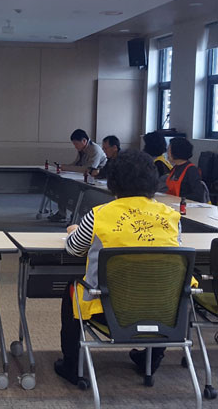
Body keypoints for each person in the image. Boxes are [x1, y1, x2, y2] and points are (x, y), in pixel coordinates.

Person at [54, 149, 182, 386]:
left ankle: (72, 364)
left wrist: (74, 230)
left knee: (71, 289)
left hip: (108, 310)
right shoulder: (172, 217)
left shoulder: (99, 215)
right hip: (163, 310)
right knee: (163, 284)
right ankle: (152, 357)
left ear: (113, 183)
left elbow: (73, 249)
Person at [49, 129, 107, 222]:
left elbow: (88, 169)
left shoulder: (94, 149)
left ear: (84, 141)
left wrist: (67, 168)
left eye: (76, 144)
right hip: (84, 177)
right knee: (63, 185)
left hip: (97, 180)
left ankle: (75, 216)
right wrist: (64, 167)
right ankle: (62, 213)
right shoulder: (82, 149)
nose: (75, 146)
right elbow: (76, 164)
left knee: (75, 191)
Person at [166, 137, 207, 203]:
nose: (167, 153)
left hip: (185, 205)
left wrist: (180, 199)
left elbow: (198, 195)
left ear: (176, 152)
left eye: (169, 150)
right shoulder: (175, 168)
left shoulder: (191, 170)